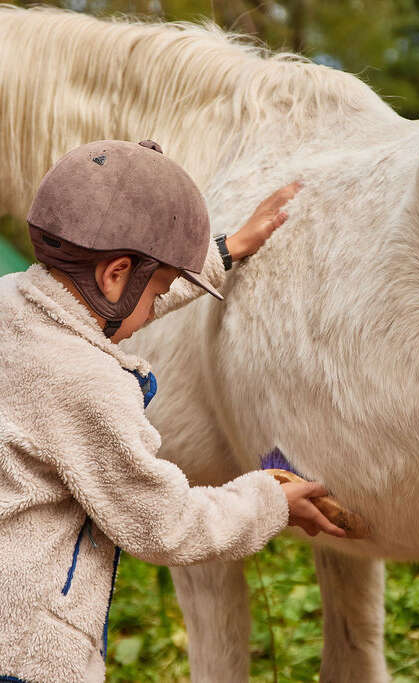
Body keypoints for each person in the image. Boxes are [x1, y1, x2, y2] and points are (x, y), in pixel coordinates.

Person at [0, 139, 344, 683]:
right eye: (159, 288)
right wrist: (266, 500)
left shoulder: (13, 303)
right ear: (116, 274)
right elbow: (165, 525)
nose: (155, 308)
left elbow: (116, 302)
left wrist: (228, 250)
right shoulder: (87, 385)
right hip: (26, 656)